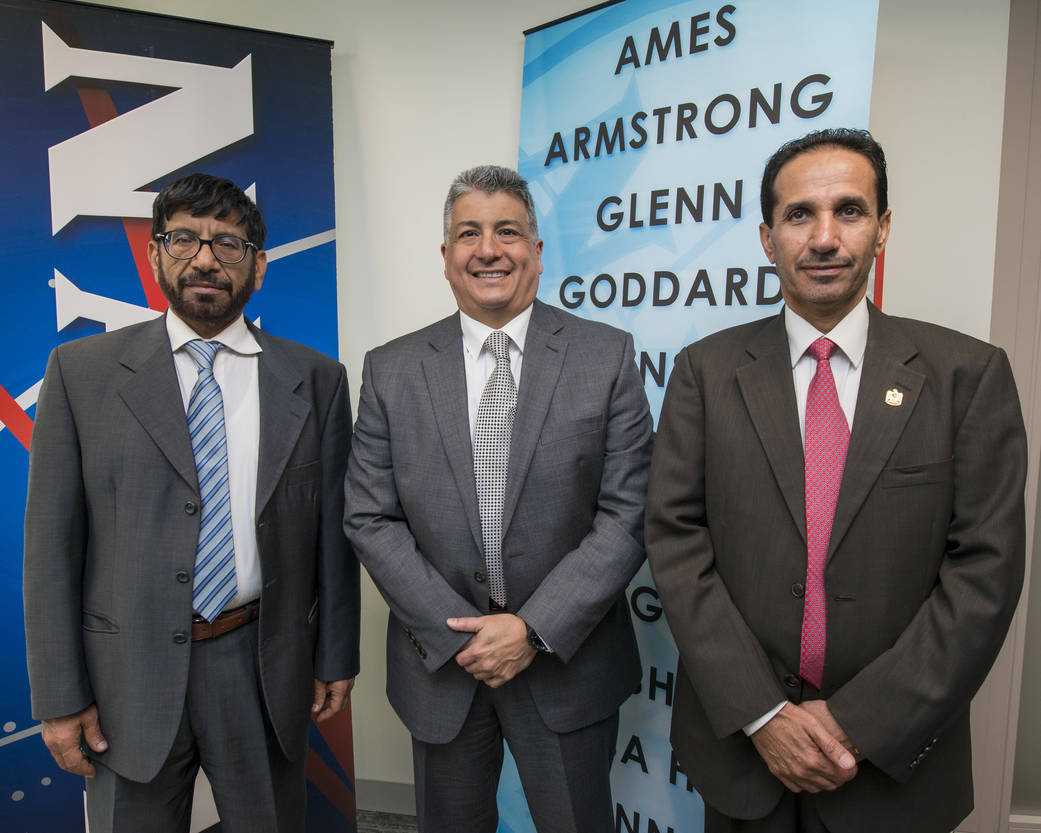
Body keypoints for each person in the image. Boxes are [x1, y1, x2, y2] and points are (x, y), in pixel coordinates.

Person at [645, 128, 1026, 833]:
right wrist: (762, 713)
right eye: (798, 215)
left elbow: (985, 572)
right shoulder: (703, 373)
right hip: (742, 755)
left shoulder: (966, 377)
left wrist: (856, 721)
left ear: (882, 228)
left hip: (892, 767)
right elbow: (675, 544)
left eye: (848, 210)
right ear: (766, 238)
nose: (824, 237)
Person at [23, 173, 359, 833]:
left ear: (258, 267)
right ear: (155, 255)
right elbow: (50, 548)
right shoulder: (80, 374)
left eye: (229, 244)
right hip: (127, 677)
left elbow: (333, 535)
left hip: (262, 664)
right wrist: (60, 699)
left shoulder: (317, 379)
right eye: (184, 238)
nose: (205, 258)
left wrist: (334, 654)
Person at [344, 164, 653, 832]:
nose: (488, 249)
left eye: (507, 231)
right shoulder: (391, 369)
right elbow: (369, 515)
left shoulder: (605, 358)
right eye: (468, 234)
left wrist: (532, 628)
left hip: (567, 667)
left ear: (536, 254)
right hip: (441, 667)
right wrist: (459, 633)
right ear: (446, 258)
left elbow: (629, 512)